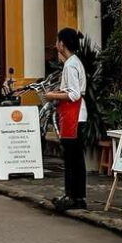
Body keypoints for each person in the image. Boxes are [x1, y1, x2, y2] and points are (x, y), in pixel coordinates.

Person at [45, 28, 88, 212]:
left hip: (74, 114)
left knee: (71, 158)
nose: (56, 45)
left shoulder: (70, 65)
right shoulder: (74, 62)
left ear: (62, 44)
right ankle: (77, 196)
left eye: (57, 42)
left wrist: (52, 95)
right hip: (77, 113)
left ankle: (72, 195)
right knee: (76, 158)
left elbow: (74, 94)